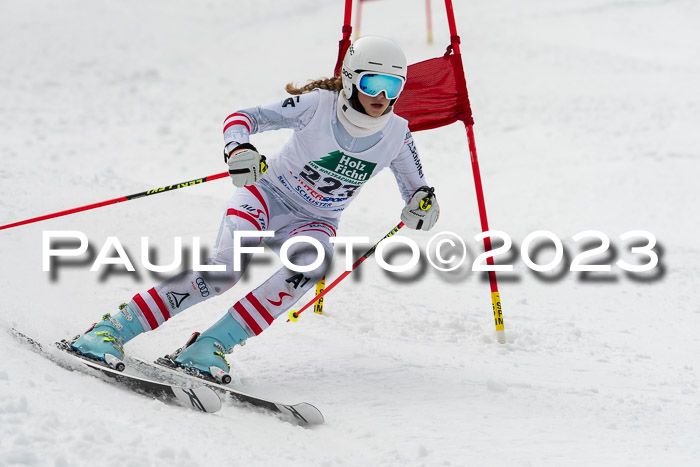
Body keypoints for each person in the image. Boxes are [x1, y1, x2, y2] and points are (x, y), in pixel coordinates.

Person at [69, 36, 440, 383]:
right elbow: (243, 118)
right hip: (266, 197)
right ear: (350, 79)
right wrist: (239, 150)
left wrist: (423, 207)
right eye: (372, 82)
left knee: (313, 264)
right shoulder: (317, 106)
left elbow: (418, 192)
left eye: (392, 86)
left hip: (316, 221)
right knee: (224, 272)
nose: (380, 95)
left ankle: (209, 347)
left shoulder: (398, 134)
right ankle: (111, 329)